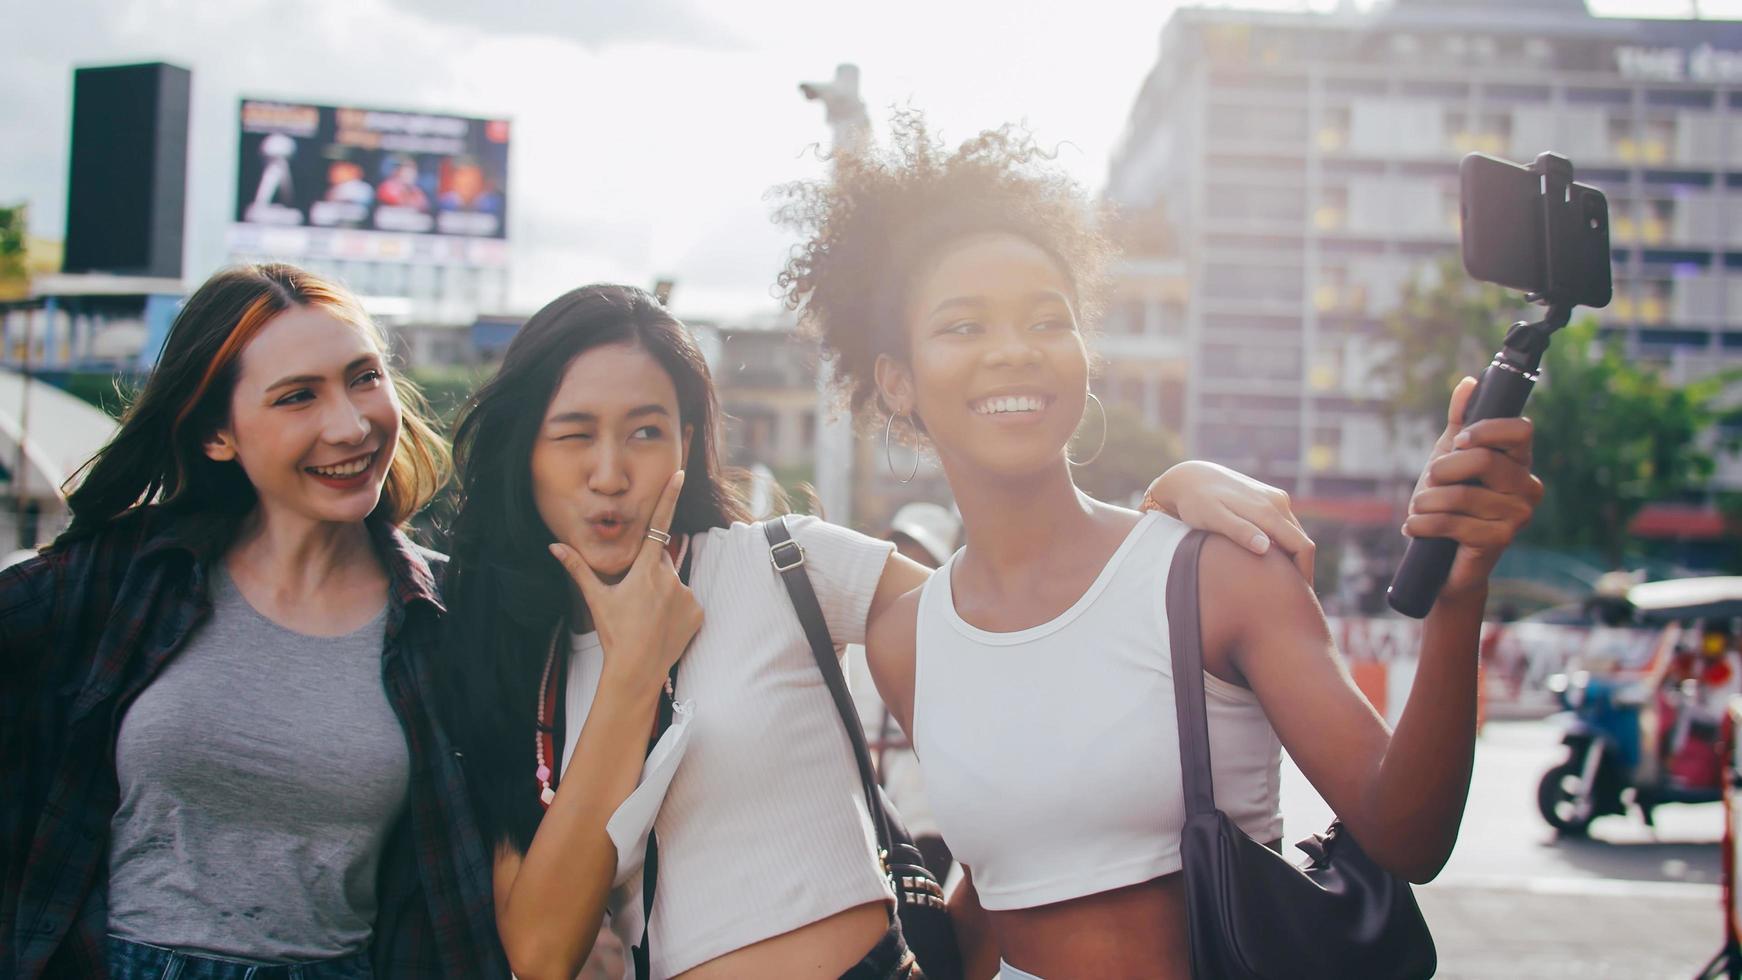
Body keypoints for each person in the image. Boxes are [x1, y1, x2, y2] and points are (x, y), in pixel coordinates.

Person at [777, 112, 1545, 979]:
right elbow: (1006, 880)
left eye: (1047, 320)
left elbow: (1407, 835)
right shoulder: (905, 641)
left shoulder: (1217, 571)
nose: (1013, 353)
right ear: (898, 380)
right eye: (962, 327)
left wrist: (1459, 590)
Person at [434, 283, 1313, 980]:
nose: (611, 474)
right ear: (526, 451)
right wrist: (632, 671)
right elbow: (540, 953)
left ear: (688, 441)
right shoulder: (516, 662)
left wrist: (1164, 507)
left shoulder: (781, 565)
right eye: (573, 436)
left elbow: (1030, 635)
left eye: (646, 432)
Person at [0, 264, 506, 979]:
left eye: (364, 377)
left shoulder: (446, 617)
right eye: (298, 397)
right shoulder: (121, 577)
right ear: (216, 435)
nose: (351, 424)